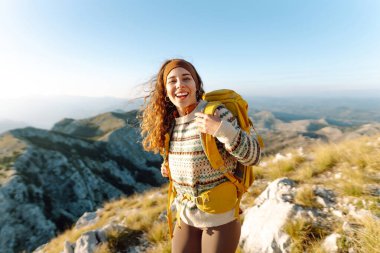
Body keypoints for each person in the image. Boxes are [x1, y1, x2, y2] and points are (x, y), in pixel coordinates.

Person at [140, 59, 261, 253]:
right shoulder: (171, 123)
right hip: (186, 216)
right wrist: (170, 167)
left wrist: (224, 130)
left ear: (196, 84)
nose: (179, 85)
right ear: (165, 89)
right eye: (172, 81)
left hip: (220, 219)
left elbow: (254, 156)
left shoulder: (215, 113)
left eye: (186, 78)